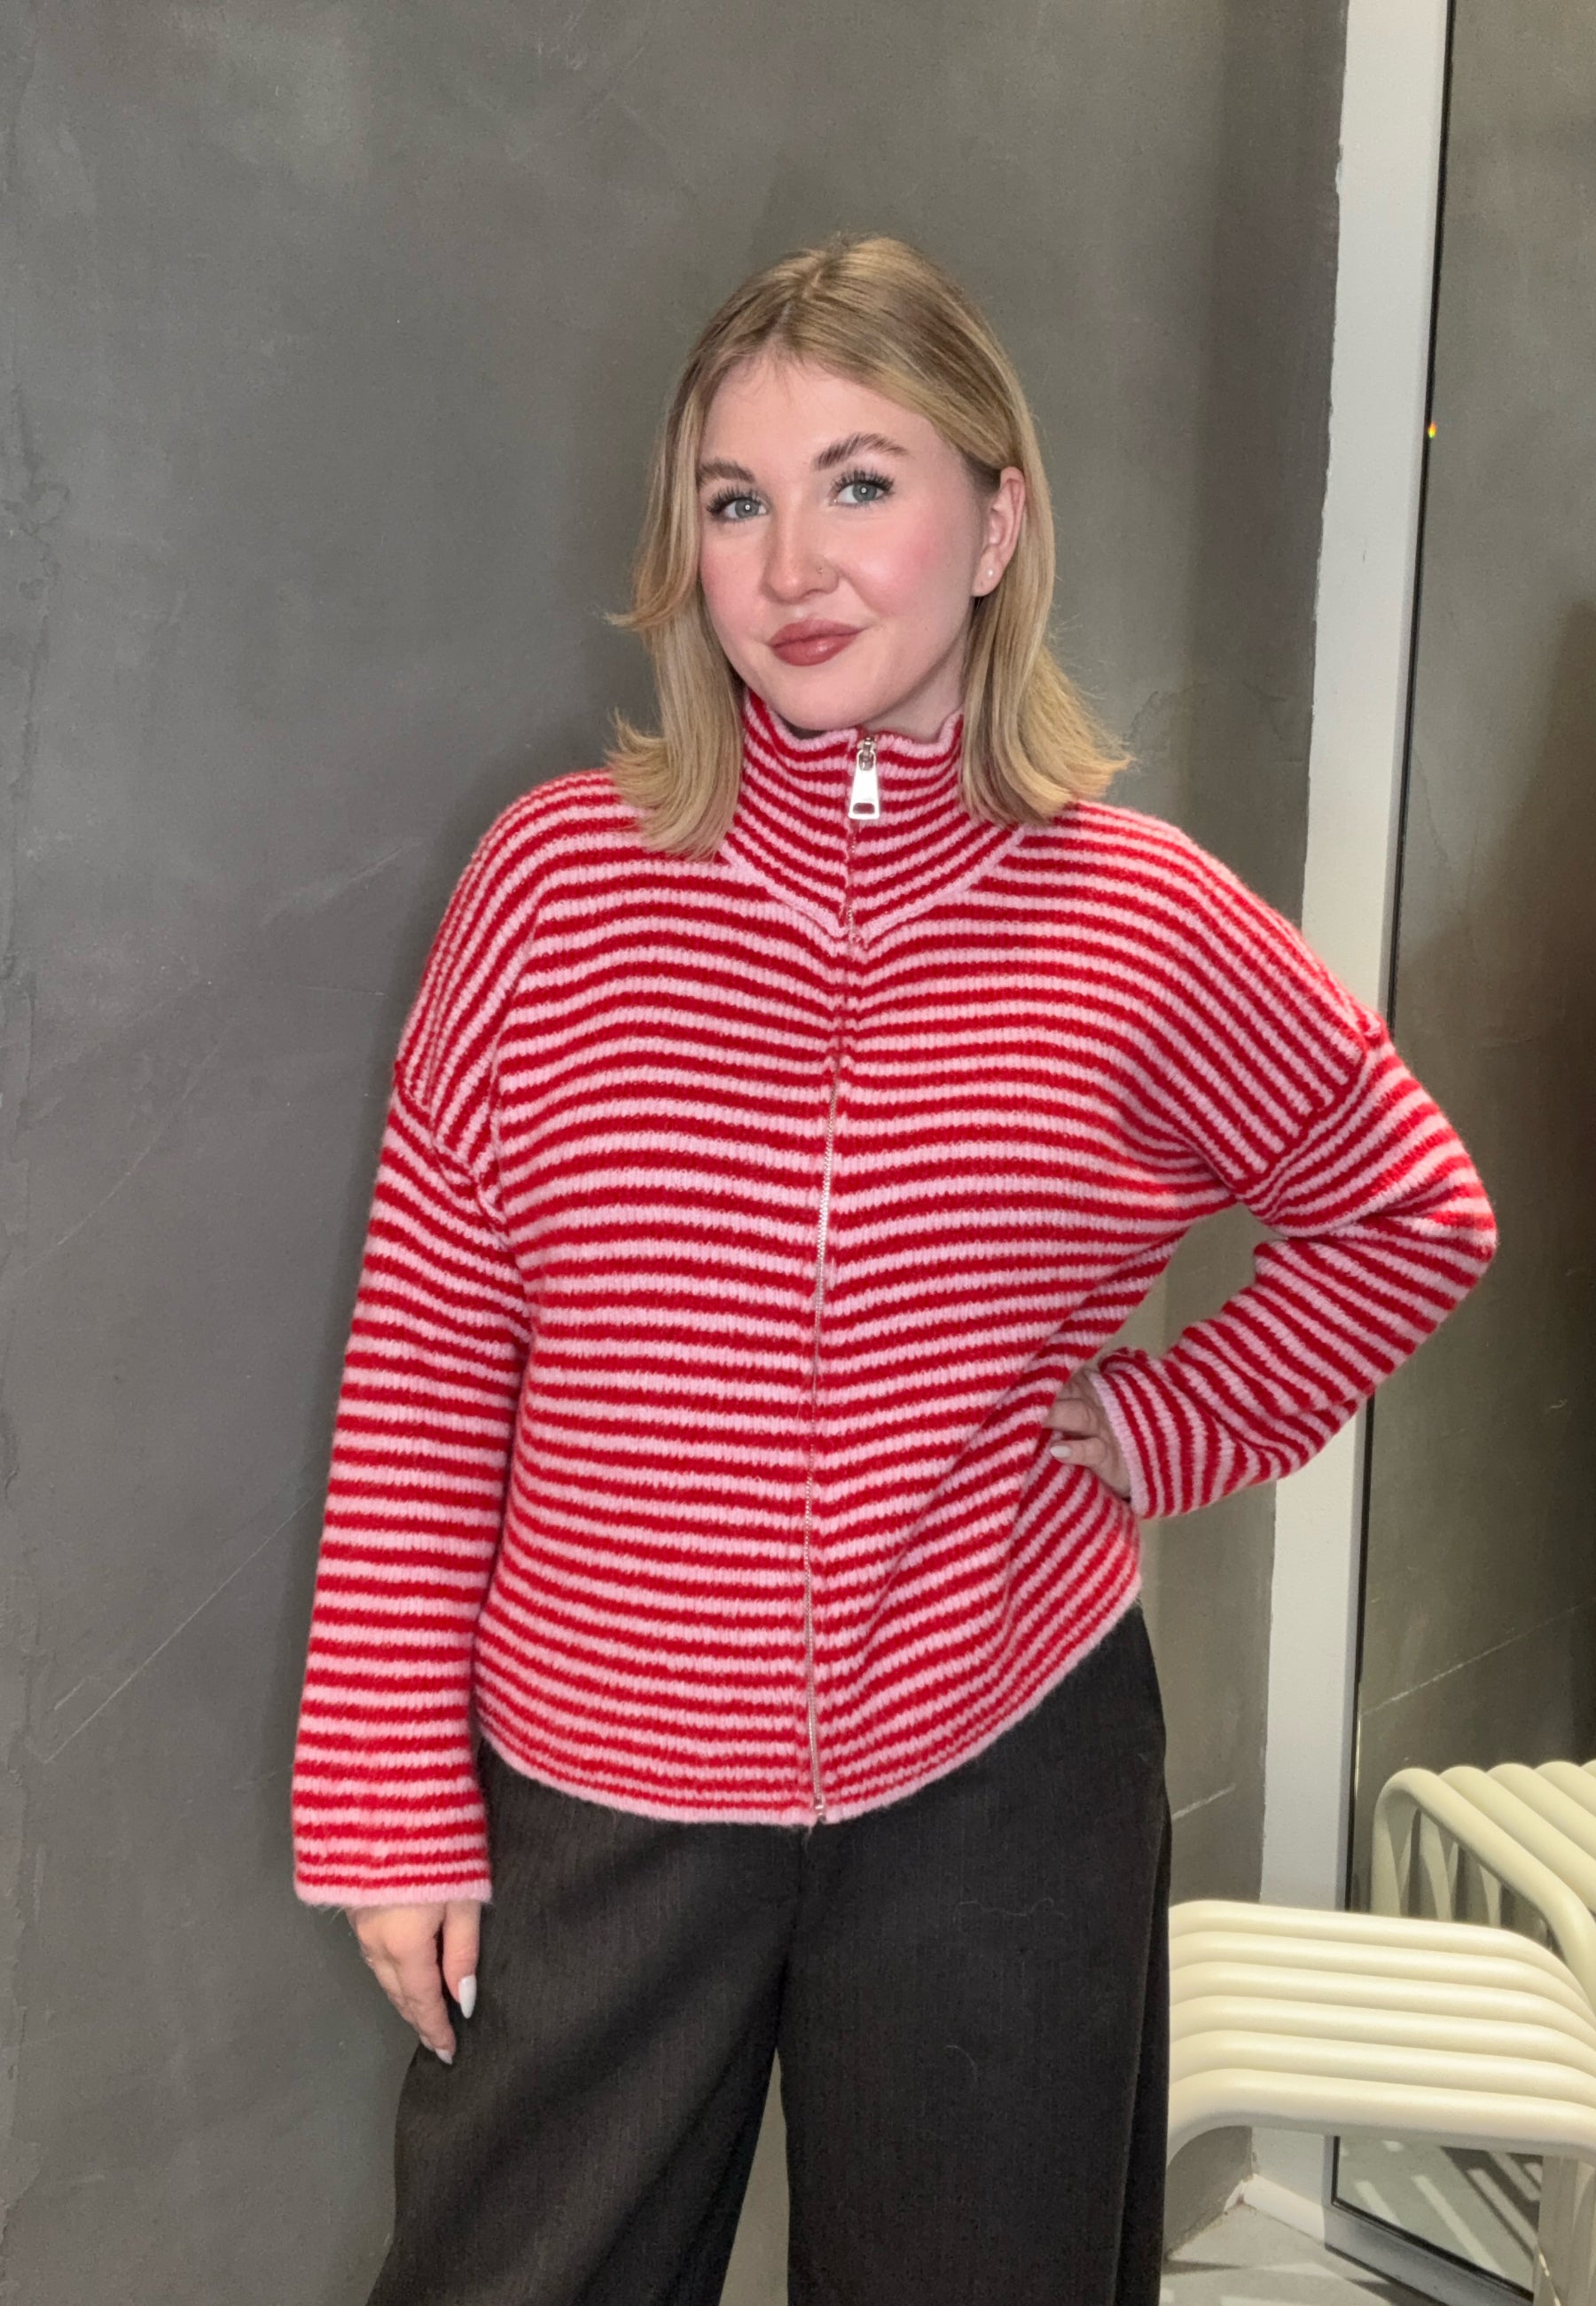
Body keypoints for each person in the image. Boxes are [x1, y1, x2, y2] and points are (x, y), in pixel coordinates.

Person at [290, 232, 1498, 2306]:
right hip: (601, 1778)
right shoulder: (555, 887)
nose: (793, 564)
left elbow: (1406, 1213)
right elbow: (427, 1353)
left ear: (997, 521)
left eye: (862, 481)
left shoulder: (1140, 920)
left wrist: (1164, 1422)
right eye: (735, 500)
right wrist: (390, 1791)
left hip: (999, 1769)